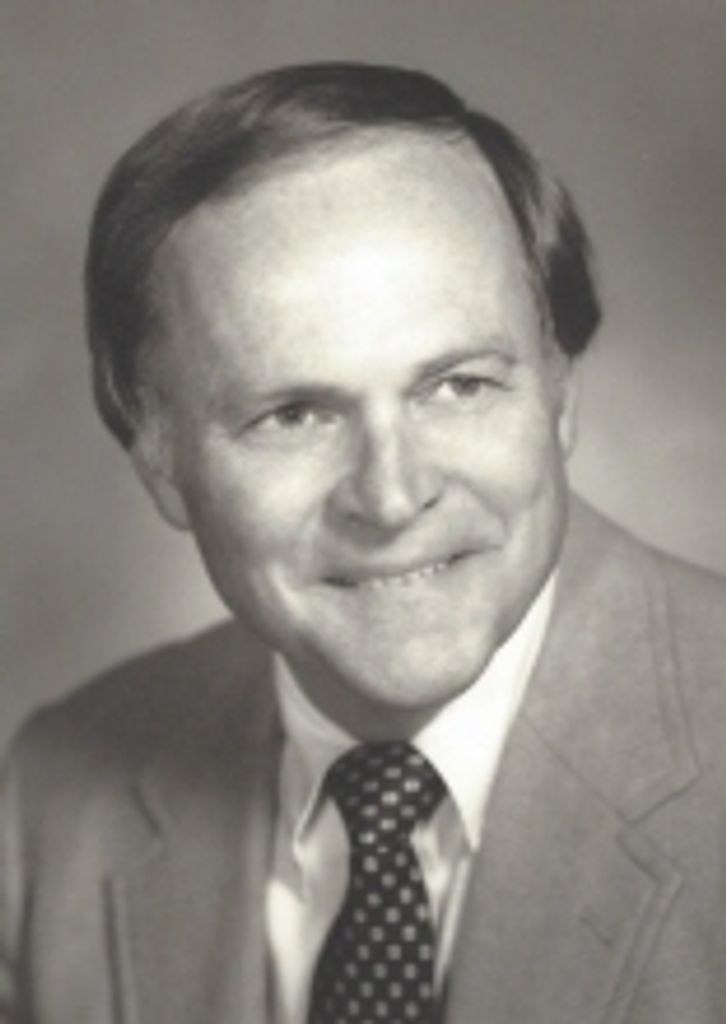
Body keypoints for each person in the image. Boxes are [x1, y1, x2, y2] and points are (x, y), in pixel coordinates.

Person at [1, 62, 725, 1024]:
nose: (391, 496)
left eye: (459, 386)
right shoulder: (57, 800)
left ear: (560, 392)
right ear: (160, 461)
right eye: (294, 414)